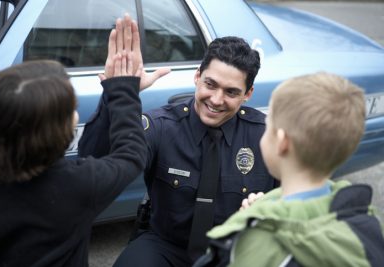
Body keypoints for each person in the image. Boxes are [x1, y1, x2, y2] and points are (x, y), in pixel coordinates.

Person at [78, 15, 279, 266]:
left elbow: (299, 196)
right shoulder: (161, 126)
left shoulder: (265, 136)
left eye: (231, 92)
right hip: (167, 245)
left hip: (235, 250)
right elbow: (94, 160)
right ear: (197, 77)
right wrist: (117, 94)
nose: (216, 99)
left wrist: (269, 209)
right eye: (210, 84)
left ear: (247, 94)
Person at [194, 72, 384, 267]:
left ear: (282, 142)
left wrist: (253, 219)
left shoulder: (255, 243)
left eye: (268, 127)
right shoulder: (366, 220)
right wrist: (266, 207)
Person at [0, 40, 146, 265]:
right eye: (72, 109)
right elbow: (131, 154)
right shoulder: (78, 184)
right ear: (55, 132)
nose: (76, 113)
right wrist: (123, 89)